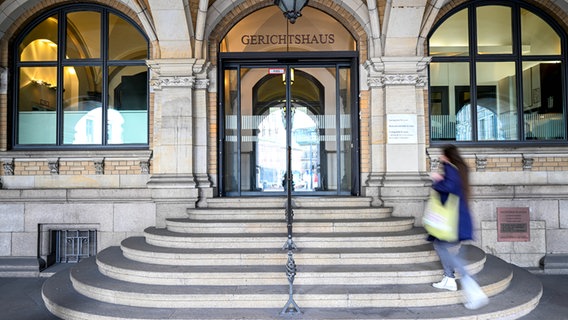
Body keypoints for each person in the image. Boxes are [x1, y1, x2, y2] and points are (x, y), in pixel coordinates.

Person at [429, 144, 489, 310]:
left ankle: (472, 288)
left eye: (442, 155)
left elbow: (448, 187)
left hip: (452, 221)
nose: (440, 158)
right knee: (443, 247)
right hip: (458, 218)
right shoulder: (461, 168)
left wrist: (437, 181)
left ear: (447, 156)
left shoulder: (450, 168)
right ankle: (449, 279)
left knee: (446, 250)